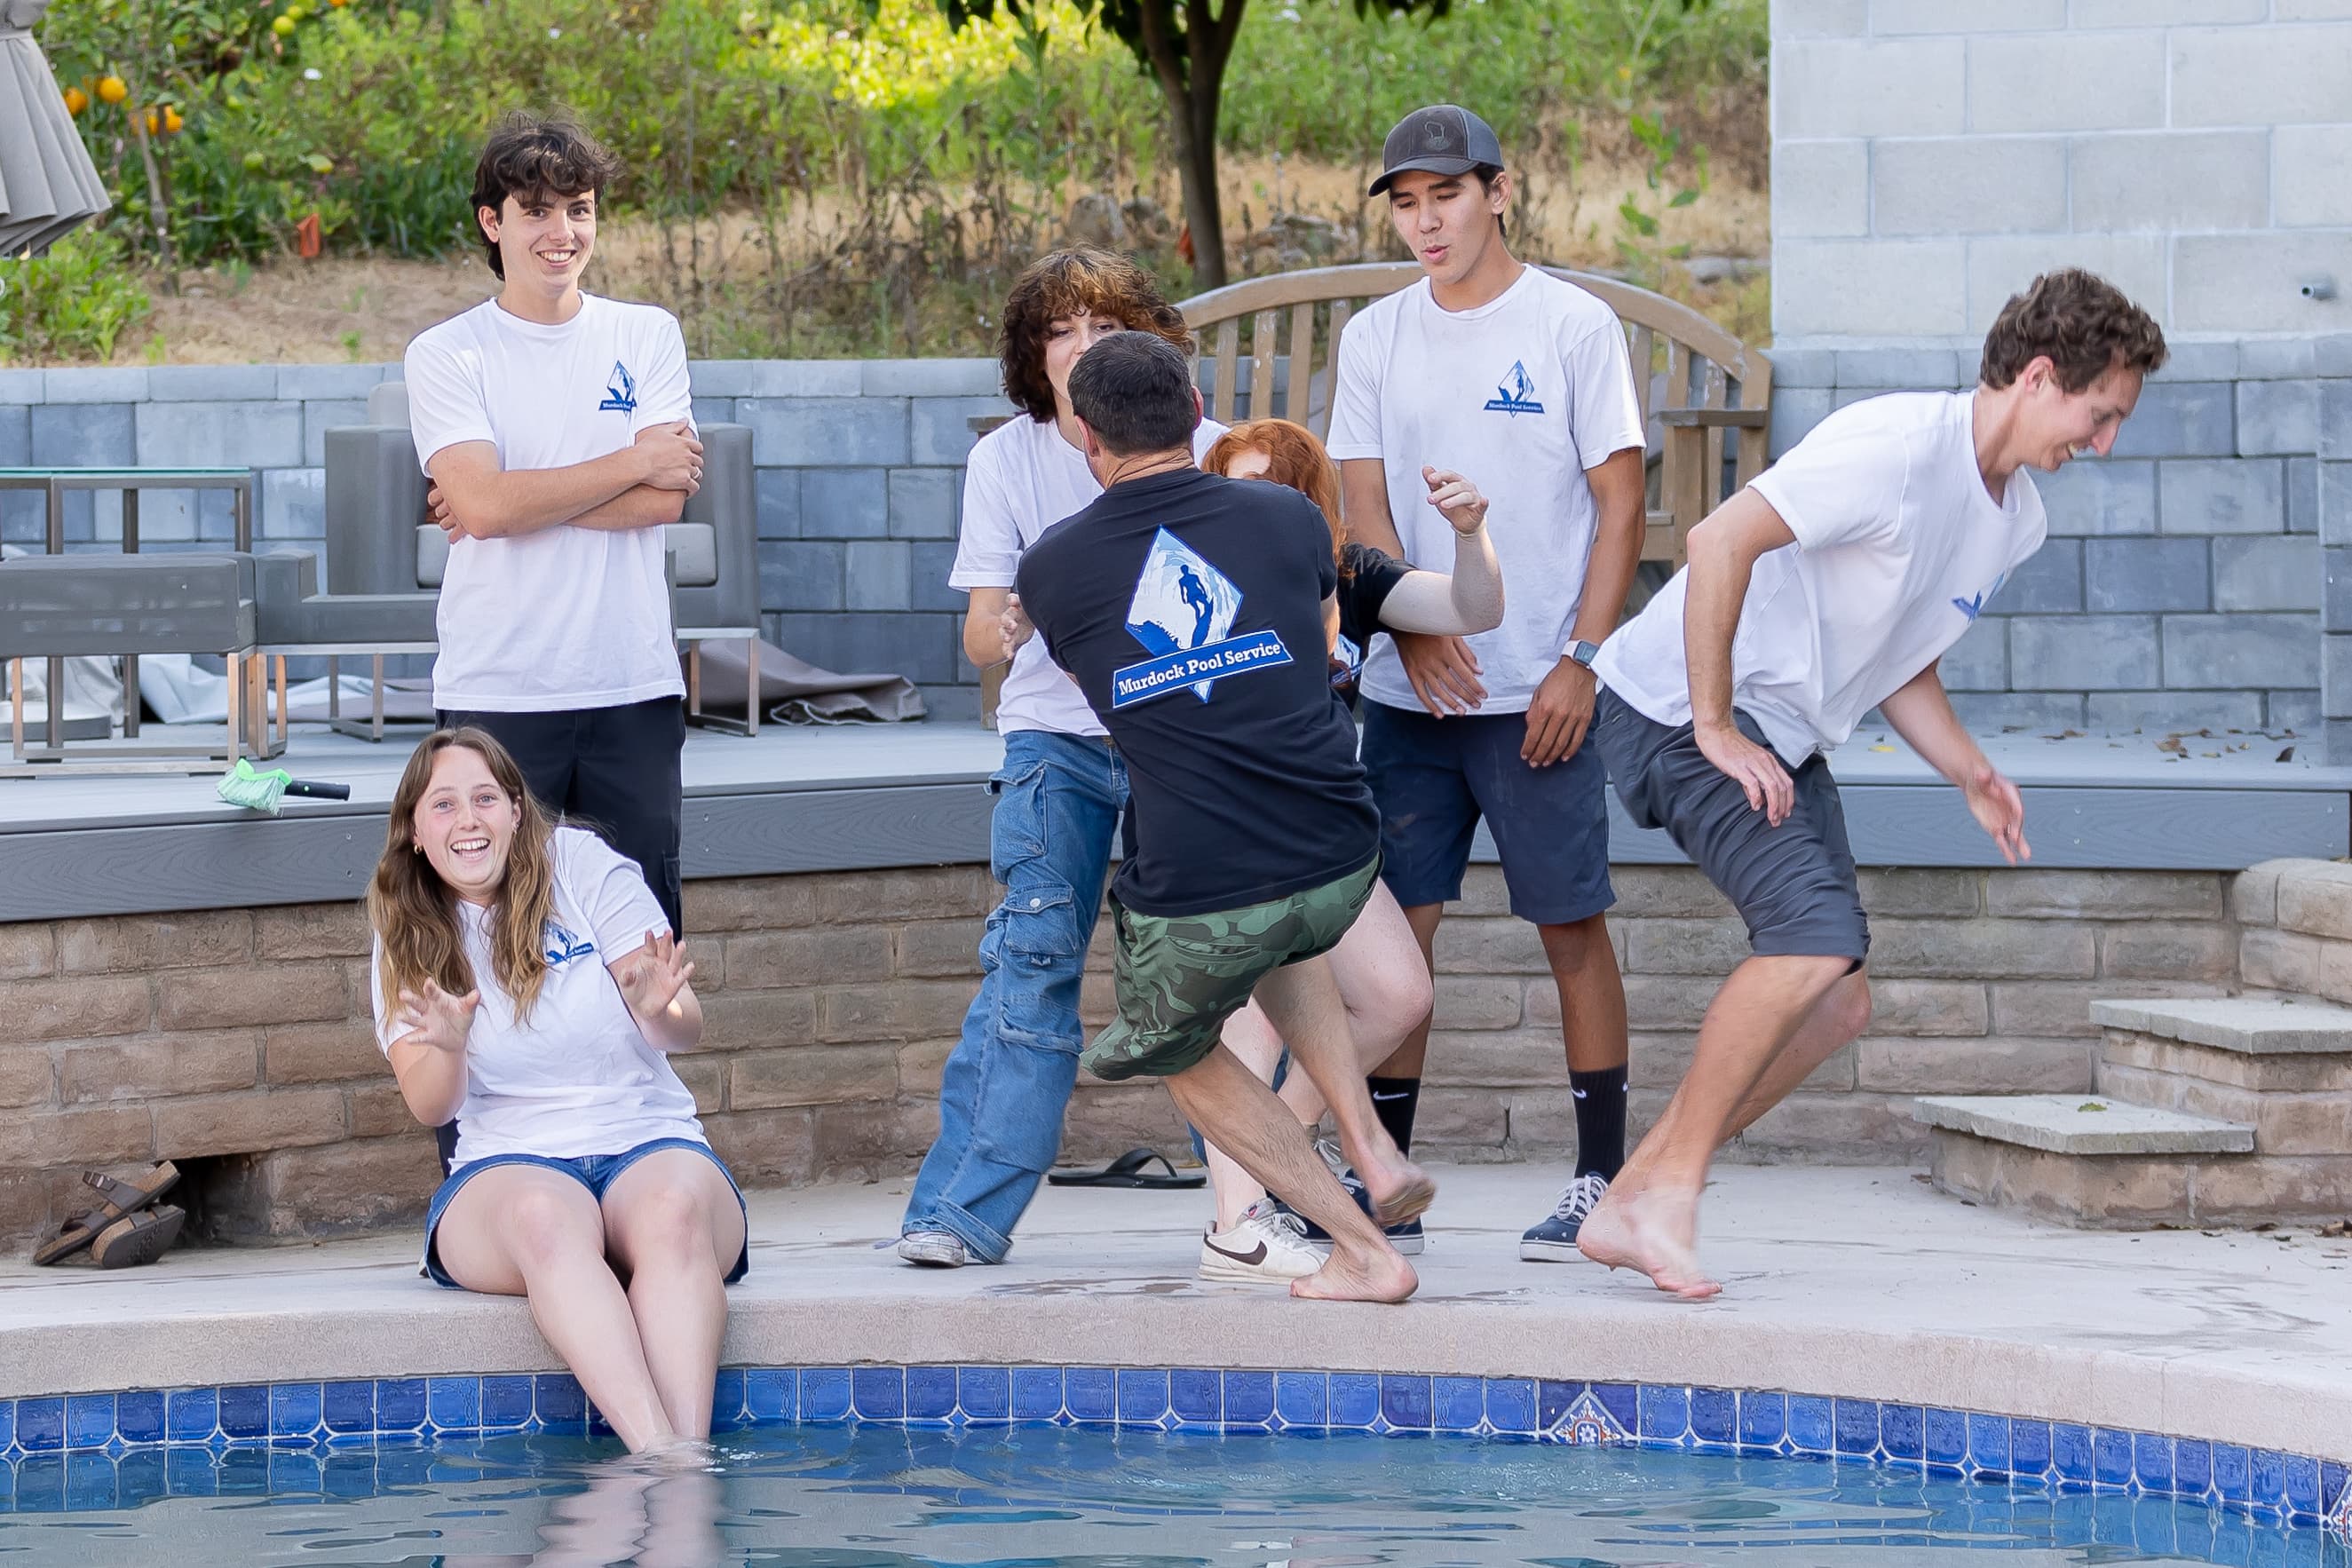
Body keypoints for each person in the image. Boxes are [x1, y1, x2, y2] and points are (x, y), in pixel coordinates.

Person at [1580, 268, 2168, 1300]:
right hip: (1674, 706)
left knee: (1837, 999)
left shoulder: (2016, 518)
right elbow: (1719, 540)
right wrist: (1713, 725)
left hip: (1783, 730)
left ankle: (1634, 1192)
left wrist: (1968, 768)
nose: (2106, 442)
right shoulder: (1893, 447)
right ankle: (1665, 1192)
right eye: (2100, 413)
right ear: (2039, 377)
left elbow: (1902, 657)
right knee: (1812, 940)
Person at [1006, 331, 1429, 1303]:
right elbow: (1306, 630)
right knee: (1282, 928)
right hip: (1337, 847)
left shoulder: (1053, 568)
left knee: (1176, 1046)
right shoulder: (1287, 516)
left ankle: (1359, 1248)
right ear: (1196, 412)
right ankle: (1365, 1134)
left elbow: (1096, 675)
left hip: (1201, 873)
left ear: (1086, 436)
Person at [1324, 103, 1650, 1261]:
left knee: (1571, 926)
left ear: (1498, 192)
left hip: (1539, 694)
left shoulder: (1573, 325)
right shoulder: (1375, 335)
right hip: (1410, 697)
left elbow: (1622, 504)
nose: (1426, 223)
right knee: (1396, 943)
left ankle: (1602, 1181)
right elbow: (1361, 500)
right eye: (1407, 204)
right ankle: (1385, 1178)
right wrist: (1410, 629)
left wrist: (1581, 660)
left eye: (1446, 196)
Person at [898, 249, 1227, 1269]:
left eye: (1104, 326)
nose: (1082, 347)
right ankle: (960, 1212)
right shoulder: (1006, 459)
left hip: (1183, 742)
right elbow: (979, 638)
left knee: (1218, 968)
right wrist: (1019, 616)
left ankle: (1261, 1201)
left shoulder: (1207, 445)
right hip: (1056, 741)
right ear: (1031, 354)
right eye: (1060, 330)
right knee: (1031, 962)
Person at [368, 727, 746, 1455]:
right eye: (443, 805)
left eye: (485, 798)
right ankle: (661, 1455)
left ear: (517, 810)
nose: (468, 820)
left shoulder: (580, 865)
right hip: (506, 1166)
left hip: (646, 1139)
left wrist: (658, 1007)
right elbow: (432, 1107)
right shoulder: (407, 927)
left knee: (672, 1212)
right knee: (544, 1216)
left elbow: (682, 1028)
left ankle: (685, 1465)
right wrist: (446, 1047)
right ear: (414, 831)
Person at [1191, 419, 1502, 1284]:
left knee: (1399, 996)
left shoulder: (1347, 573)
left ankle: (1280, 1150)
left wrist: (1469, 533)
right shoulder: (1195, 580)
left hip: (1325, 826)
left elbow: (1472, 609)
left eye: (1270, 488)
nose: (1250, 506)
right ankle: (1238, 1224)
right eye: (1232, 488)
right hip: (1227, 822)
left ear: (1308, 502)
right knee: (1255, 1016)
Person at [404, 111, 701, 943]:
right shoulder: (447, 353)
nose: (561, 232)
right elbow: (487, 509)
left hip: (631, 684)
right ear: (491, 223)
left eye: (579, 209)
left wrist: (504, 501)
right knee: (494, 936)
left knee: (641, 938)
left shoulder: (646, 333)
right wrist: (629, 461)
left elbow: (666, 499)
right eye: (535, 212)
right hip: (498, 688)